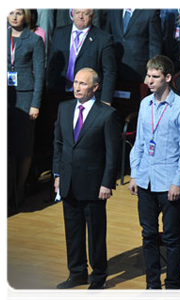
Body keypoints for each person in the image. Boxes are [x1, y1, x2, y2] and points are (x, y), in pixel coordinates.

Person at [128, 55, 180, 300]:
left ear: (168, 78)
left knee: (170, 237)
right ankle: (152, 285)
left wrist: (178, 180)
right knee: (148, 234)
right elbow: (139, 143)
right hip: (145, 178)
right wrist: (134, 174)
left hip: (169, 183)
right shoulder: (145, 104)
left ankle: (172, 290)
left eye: (155, 76)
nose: (149, 81)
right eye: (148, 76)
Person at [53, 68, 121, 295]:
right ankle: (76, 273)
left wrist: (107, 183)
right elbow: (59, 145)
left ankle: (99, 276)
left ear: (95, 87)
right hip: (68, 180)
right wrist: (57, 174)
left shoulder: (107, 114)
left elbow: (113, 153)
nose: (77, 87)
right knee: (72, 231)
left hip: (94, 184)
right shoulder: (64, 108)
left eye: (83, 84)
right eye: (75, 82)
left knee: (95, 233)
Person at [5, 8, 45, 206]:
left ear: (25, 16)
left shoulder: (34, 40)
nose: (14, 16)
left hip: (25, 96)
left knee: (24, 146)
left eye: (18, 13)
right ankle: (9, 190)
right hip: (5, 97)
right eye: (10, 12)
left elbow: (39, 74)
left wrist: (35, 104)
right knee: (7, 146)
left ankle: (20, 188)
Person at [47, 8, 117, 104]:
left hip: (88, 96)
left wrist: (106, 100)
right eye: (77, 12)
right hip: (59, 93)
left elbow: (109, 72)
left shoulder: (103, 39)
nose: (80, 16)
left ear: (92, 16)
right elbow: (51, 65)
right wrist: (49, 88)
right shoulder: (59, 33)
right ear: (72, 13)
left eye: (85, 13)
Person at [107, 8, 162, 83]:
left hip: (138, 70)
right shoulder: (113, 9)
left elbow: (155, 46)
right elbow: (107, 37)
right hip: (114, 68)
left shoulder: (150, 11)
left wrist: (151, 72)